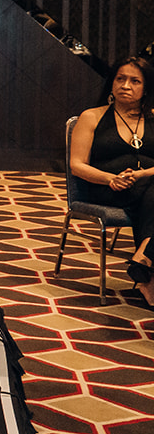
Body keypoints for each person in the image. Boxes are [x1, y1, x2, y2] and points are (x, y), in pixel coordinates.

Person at [69, 55, 154, 305]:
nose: (125, 86)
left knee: (150, 192)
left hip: (145, 188)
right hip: (106, 189)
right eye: (120, 79)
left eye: (135, 81)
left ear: (146, 87)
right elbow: (77, 165)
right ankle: (145, 258)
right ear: (112, 83)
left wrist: (142, 174)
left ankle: (146, 270)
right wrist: (110, 179)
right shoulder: (92, 117)